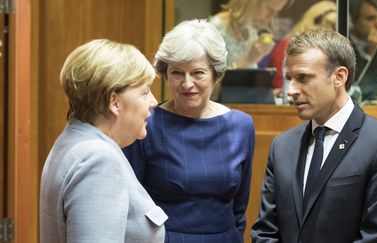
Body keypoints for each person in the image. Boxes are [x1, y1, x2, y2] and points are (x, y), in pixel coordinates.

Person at [250, 29, 377, 242]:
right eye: (289, 78)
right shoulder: (282, 146)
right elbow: (264, 231)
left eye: (303, 78)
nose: (291, 90)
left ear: (339, 77)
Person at [123, 19, 255, 242]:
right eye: (177, 73)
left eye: (198, 73)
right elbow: (130, 203)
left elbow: (239, 208)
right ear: (165, 74)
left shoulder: (241, 126)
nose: (187, 84)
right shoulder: (147, 122)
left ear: (217, 74)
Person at [40, 39, 168, 242]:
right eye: (145, 92)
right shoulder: (98, 160)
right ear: (114, 102)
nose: (153, 102)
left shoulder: (73, 140)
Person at [269, 0, 337, 95]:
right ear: (314, 22)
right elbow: (281, 86)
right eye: (331, 26)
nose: (333, 32)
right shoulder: (288, 45)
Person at [210, 0, 291, 69]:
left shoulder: (250, 28)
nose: (271, 17)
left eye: (276, 11)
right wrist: (248, 60)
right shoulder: (215, 29)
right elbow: (210, 83)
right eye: (270, 9)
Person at [349, 0, 377, 74]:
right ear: (353, 21)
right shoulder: (345, 45)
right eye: (370, 18)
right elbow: (355, 81)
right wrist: (370, 53)